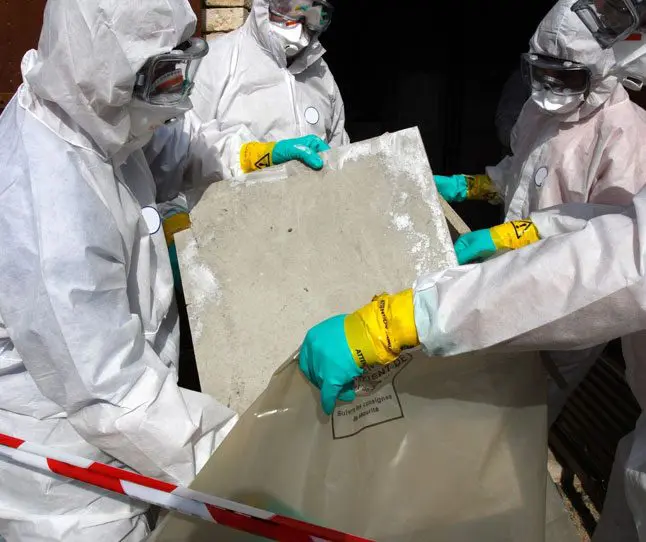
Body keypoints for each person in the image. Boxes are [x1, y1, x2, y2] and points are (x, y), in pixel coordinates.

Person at [0, 0, 240, 539]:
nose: (176, 94)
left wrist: (253, 156)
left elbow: (172, 148)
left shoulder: (92, 117)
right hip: (71, 496)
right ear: (101, 68)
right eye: (160, 75)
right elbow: (115, 394)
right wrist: (249, 463)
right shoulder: (47, 210)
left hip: (128, 450)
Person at [185, 0, 349, 178]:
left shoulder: (322, 76)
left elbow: (340, 154)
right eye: (289, 7)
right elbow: (186, 152)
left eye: (313, 14)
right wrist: (258, 157)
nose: (298, 23)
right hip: (234, 204)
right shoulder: (216, 62)